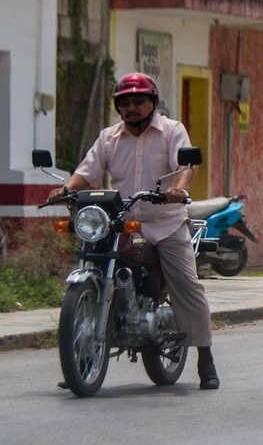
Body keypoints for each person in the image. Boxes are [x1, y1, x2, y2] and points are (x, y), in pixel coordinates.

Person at [48, 73, 220, 390]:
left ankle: (205, 358)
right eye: (125, 102)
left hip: (165, 222)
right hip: (123, 223)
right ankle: (80, 360)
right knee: (95, 261)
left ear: (152, 103)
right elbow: (87, 172)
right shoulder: (109, 138)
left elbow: (186, 167)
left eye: (138, 100)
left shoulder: (171, 130)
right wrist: (65, 189)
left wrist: (179, 190)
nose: (132, 107)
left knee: (186, 283)